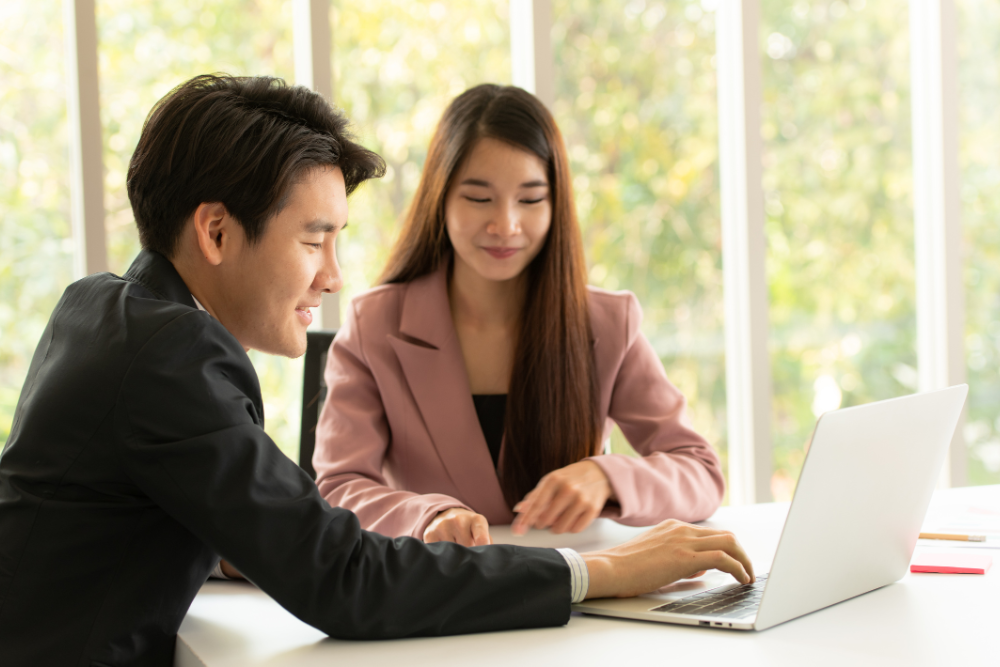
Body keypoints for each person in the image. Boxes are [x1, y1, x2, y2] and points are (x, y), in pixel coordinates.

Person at [0, 74, 753, 667]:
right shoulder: (173, 356)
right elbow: (342, 579)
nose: (332, 274)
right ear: (218, 230)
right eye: (312, 240)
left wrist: (252, 537)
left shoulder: (103, 307)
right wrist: (597, 573)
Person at [313, 84, 725, 548]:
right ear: (440, 198)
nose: (506, 225)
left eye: (530, 200)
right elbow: (338, 487)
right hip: (443, 596)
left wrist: (606, 476)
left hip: (582, 593)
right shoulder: (375, 325)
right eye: (479, 198)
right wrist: (428, 516)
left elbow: (701, 472)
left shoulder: (609, 323)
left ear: (556, 204)